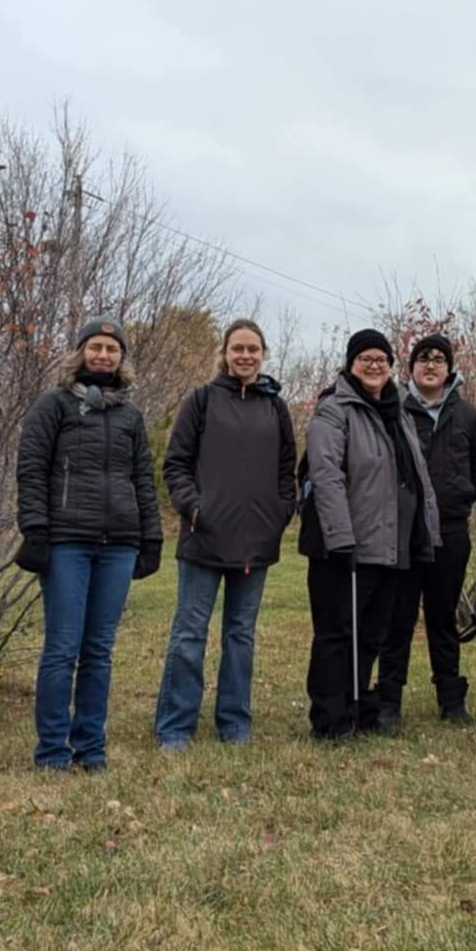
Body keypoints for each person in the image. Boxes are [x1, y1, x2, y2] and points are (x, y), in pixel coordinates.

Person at [15, 318, 163, 772]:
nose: (103, 356)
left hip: (118, 542)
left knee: (99, 650)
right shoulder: (53, 405)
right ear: (80, 353)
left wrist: (151, 536)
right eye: (96, 347)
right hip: (65, 543)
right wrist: (35, 529)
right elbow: (32, 468)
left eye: (112, 350)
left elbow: (142, 477)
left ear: (121, 359)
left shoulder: (130, 414)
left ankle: (91, 748)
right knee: (62, 648)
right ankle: (53, 751)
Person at [155, 318, 296, 748]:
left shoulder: (276, 407)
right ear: (225, 352)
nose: (245, 356)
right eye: (238, 348)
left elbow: (286, 472)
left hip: (256, 543)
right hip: (204, 538)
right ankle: (176, 726)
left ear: (263, 354)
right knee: (189, 634)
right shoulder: (201, 401)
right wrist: (194, 508)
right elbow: (175, 464)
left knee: (240, 635)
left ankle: (234, 723)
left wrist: (279, 514)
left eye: (253, 349)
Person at [302, 330, 440, 741]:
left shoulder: (398, 414)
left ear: (392, 366)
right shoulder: (334, 409)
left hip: (389, 545)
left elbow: (417, 478)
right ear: (350, 364)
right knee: (337, 632)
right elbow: (325, 475)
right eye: (365, 358)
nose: (374, 364)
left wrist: (425, 533)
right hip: (342, 546)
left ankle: (358, 706)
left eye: (381, 358)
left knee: (370, 634)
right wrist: (340, 537)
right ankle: (330, 718)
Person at [373, 334, 476, 728]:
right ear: (411, 368)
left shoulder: (468, 416)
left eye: (439, 359)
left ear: (450, 368)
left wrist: (458, 500)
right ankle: (388, 701)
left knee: (443, 617)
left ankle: (451, 701)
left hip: (450, 531)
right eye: (423, 358)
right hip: (404, 533)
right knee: (398, 618)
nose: (431, 365)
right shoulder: (394, 412)